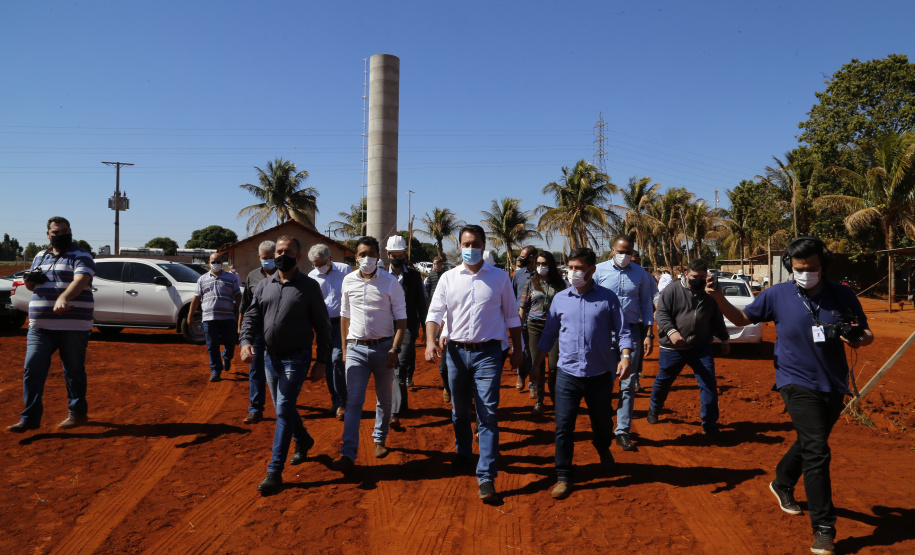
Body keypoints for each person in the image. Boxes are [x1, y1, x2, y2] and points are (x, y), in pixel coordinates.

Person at [707, 237, 874, 555]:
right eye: (799, 269)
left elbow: (864, 332)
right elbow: (743, 320)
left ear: (822, 265)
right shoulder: (776, 294)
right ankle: (824, 528)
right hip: (794, 380)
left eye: (811, 268)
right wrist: (717, 297)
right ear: (789, 268)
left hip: (833, 382)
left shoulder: (843, 295)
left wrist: (858, 338)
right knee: (817, 451)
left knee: (812, 440)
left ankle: (782, 482)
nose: (805, 273)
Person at [425, 225, 523, 504]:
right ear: (459, 245)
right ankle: (463, 452)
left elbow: (512, 318)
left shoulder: (500, 278)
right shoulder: (447, 278)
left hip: (489, 353)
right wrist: (431, 341)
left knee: (487, 413)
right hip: (455, 353)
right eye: (465, 244)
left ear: (483, 244)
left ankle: (487, 477)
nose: (470, 248)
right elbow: (435, 313)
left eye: (475, 243)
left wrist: (518, 349)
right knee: (458, 410)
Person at [534, 247, 633, 499]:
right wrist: (537, 364)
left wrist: (625, 356)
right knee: (564, 426)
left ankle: (602, 446)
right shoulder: (560, 299)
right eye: (571, 267)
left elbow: (623, 331)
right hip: (567, 373)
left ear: (592, 270)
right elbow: (549, 333)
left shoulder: (608, 298)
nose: (573, 272)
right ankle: (564, 475)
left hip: (599, 373)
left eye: (579, 268)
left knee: (601, 422)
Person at [240, 235, 331, 494]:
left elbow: (323, 328)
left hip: (297, 357)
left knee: (283, 409)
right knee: (284, 407)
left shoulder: (309, 287)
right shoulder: (264, 285)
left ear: (298, 257)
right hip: (270, 357)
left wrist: (322, 361)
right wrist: (246, 341)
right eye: (278, 251)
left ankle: (274, 471)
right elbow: (251, 316)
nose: (280, 255)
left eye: (287, 251)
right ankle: (303, 439)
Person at [8, 217, 96, 433]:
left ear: (71, 232)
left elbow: (81, 280)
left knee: (73, 370)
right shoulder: (40, 256)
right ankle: (30, 417)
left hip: (73, 326)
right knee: (32, 368)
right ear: (48, 234)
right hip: (40, 325)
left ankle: (77, 414)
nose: (61, 234)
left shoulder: (81, 255)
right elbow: (32, 285)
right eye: (56, 232)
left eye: (65, 231)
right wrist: (30, 283)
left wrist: (64, 297)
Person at [332, 236, 407, 473]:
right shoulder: (348, 281)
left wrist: (395, 348)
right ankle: (348, 452)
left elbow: (401, 319)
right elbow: (344, 315)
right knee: (354, 401)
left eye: (371, 254)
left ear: (378, 256)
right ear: (355, 257)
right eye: (362, 254)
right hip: (355, 348)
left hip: (384, 348)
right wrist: (345, 349)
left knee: (384, 400)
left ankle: (379, 440)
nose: (366, 258)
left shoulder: (390, 282)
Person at [648, 259, 729, 435]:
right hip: (673, 348)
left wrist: (724, 339)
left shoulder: (711, 293)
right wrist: (671, 332)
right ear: (686, 274)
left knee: (708, 384)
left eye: (701, 276)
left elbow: (717, 318)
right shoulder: (672, 290)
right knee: (664, 381)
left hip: (701, 347)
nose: (698, 279)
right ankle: (654, 408)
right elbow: (661, 314)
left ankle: (709, 424)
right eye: (694, 276)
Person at [593, 235, 655, 451]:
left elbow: (647, 305)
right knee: (604, 382)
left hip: (632, 332)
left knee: (628, 385)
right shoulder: (599, 271)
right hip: (604, 334)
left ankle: (623, 431)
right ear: (612, 250)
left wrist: (649, 334)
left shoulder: (641, 275)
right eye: (621, 251)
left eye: (628, 252)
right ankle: (603, 428)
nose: (624, 255)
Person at [385, 235, 427, 427]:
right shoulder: (380, 275)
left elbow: (420, 303)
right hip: (385, 327)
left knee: (399, 366)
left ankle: (394, 412)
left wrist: (426, 328)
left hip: (408, 326)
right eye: (394, 254)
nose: (397, 258)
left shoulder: (414, 276)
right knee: (391, 369)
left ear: (404, 255)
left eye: (400, 254)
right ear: (388, 254)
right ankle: (402, 404)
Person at [518, 251, 567, 416]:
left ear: (551, 265)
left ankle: (555, 399)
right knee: (536, 365)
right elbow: (523, 308)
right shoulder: (529, 283)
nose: (541, 267)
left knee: (554, 366)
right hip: (534, 327)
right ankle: (539, 403)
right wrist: (519, 329)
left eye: (544, 264)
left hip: (555, 328)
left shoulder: (561, 284)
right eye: (538, 264)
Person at [307, 243, 352, 420]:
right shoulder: (311, 276)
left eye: (321, 263)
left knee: (336, 359)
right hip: (323, 324)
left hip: (342, 323)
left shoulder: (345, 270)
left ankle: (342, 402)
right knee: (326, 361)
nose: (318, 267)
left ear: (330, 259)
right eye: (315, 264)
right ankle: (335, 400)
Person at [237, 240, 277, 424]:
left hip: (279, 331)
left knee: (280, 370)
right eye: (264, 258)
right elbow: (244, 305)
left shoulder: (284, 275)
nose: (267, 261)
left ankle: (282, 407)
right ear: (259, 257)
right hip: (257, 332)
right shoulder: (253, 277)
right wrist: (241, 326)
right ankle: (256, 409)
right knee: (256, 370)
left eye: (271, 258)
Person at [189, 252, 241, 382]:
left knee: (230, 342)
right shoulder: (202, 279)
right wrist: (190, 316)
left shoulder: (231, 278)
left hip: (228, 318)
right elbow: (196, 299)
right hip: (209, 318)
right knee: (212, 345)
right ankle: (215, 371)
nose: (216, 264)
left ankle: (227, 357)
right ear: (209, 262)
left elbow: (238, 297)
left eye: (218, 261)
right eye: (213, 262)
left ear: (222, 262)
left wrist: (239, 313)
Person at [511, 246, 537, 392]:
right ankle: (520, 376)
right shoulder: (518, 275)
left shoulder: (542, 275)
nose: (521, 259)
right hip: (519, 319)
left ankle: (532, 384)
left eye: (523, 256)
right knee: (519, 349)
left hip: (536, 320)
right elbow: (512, 295)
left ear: (532, 257)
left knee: (534, 352)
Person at [424, 257, 451, 403]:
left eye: (437, 263)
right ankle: (447, 386)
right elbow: (428, 289)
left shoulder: (448, 276)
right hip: (437, 309)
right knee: (443, 369)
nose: (435, 265)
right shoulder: (432, 275)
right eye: (434, 263)